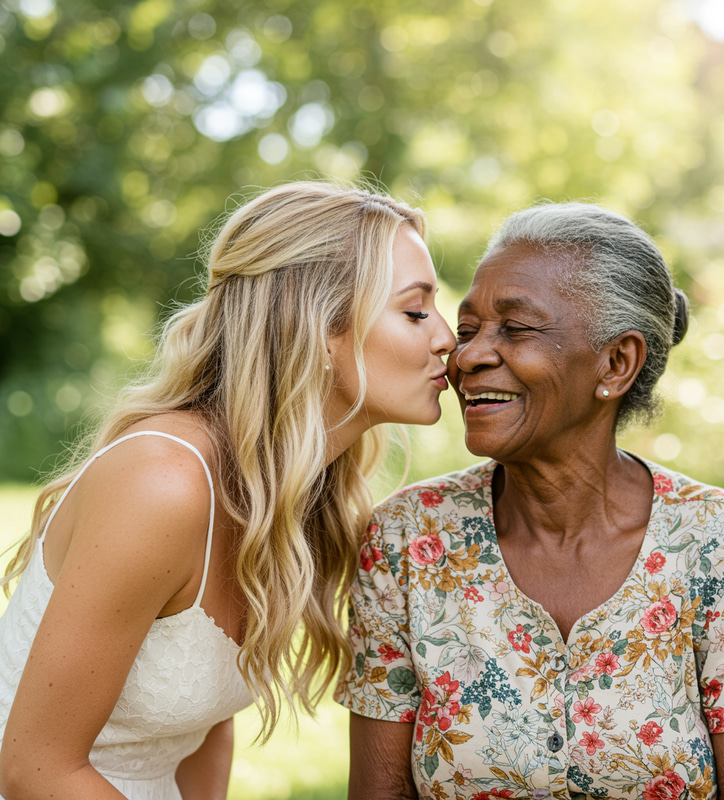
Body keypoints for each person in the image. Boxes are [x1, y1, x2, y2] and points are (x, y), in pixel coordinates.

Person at [0, 180, 456, 800]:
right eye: (415, 310)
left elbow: (204, 720)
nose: (447, 339)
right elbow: (32, 769)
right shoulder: (164, 483)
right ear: (323, 327)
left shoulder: (290, 492)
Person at [336, 202, 724, 800]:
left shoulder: (722, 543)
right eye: (470, 328)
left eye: (517, 328)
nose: (467, 356)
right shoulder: (408, 538)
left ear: (616, 362)